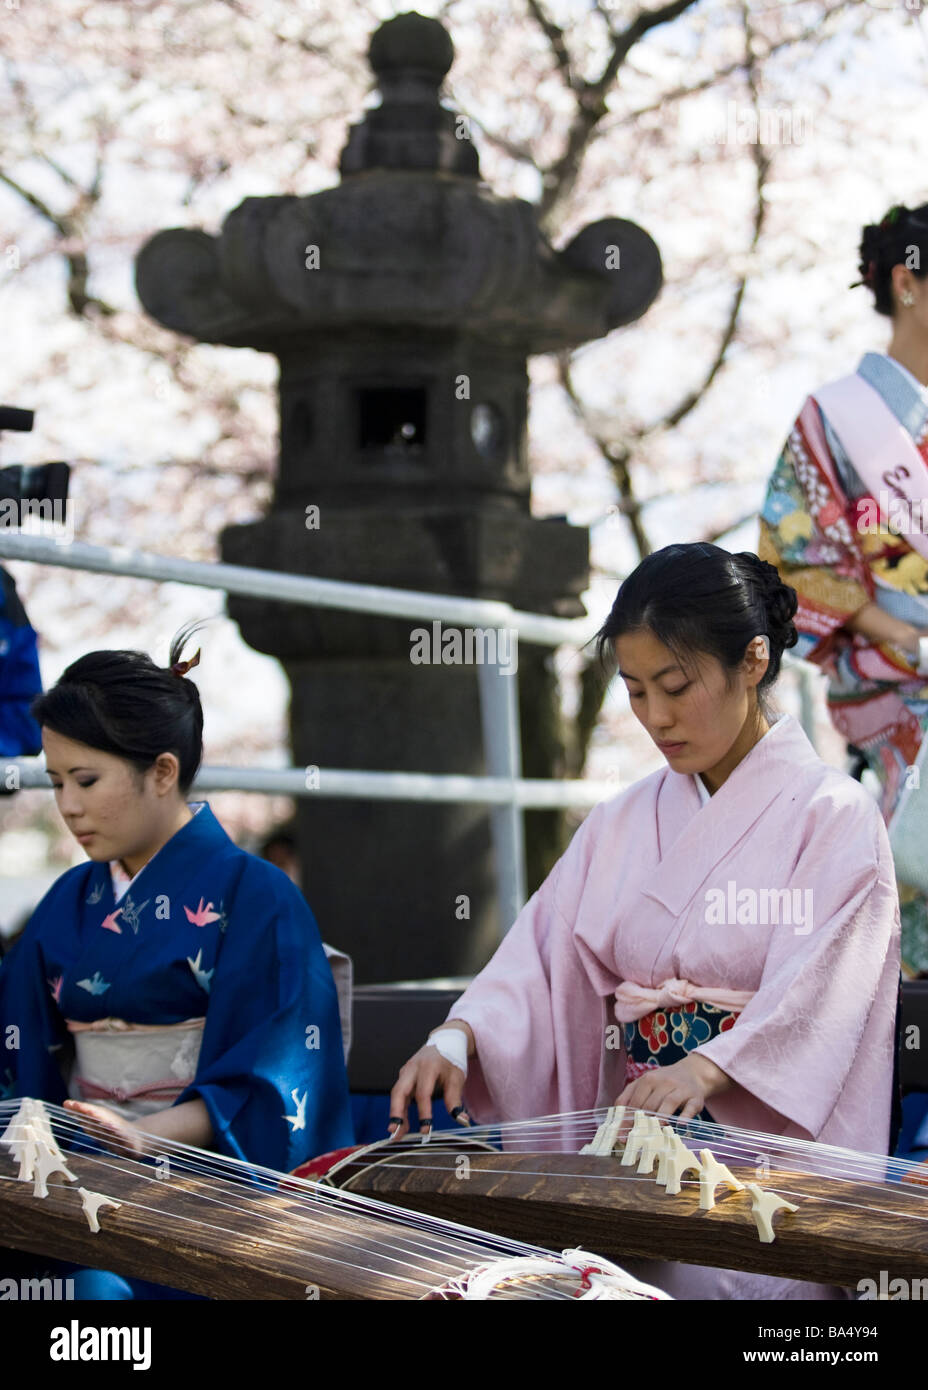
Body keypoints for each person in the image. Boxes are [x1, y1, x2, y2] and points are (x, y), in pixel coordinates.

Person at [388, 543, 901, 1300]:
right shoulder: (621, 821)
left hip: (762, 1168)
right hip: (636, 1154)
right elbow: (543, 954)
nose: (656, 718)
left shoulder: (834, 816)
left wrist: (705, 1068)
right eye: (634, 692)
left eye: (676, 685)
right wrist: (457, 1036)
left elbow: (824, 994)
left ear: (753, 661)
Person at [0, 628, 353, 1294]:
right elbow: (12, 1035)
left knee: (99, 1290)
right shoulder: (70, 898)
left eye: (86, 779)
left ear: (162, 772)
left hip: (206, 1181)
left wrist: (146, 1134)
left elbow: (272, 1079)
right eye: (55, 783)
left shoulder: (258, 896)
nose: (68, 806)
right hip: (85, 1169)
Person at [758, 201, 928, 980]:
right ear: (908, 284)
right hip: (903, 700)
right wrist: (892, 629)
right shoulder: (838, 416)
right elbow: (792, 553)